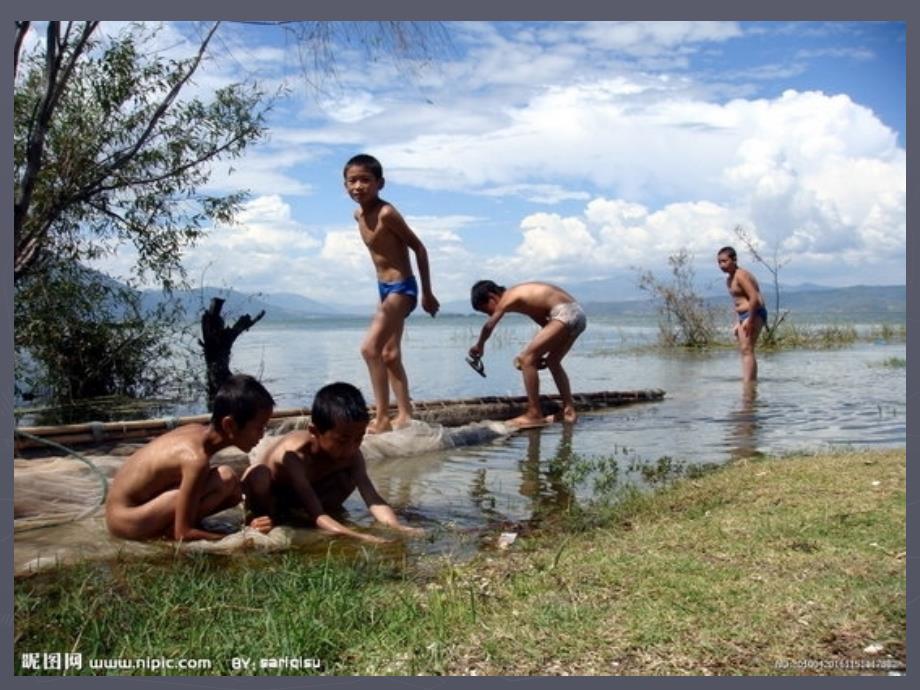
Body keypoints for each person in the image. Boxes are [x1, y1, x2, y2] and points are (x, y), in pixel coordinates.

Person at [242, 382, 424, 544]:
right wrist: (362, 537)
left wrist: (398, 527)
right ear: (315, 431)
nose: (352, 448)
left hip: (308, 497)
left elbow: (372, 498)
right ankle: (263, 518)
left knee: (348, 476)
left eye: (359, 438)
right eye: (342, 440)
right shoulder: (294, 456)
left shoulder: (353, 455)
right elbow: (317, 515)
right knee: (259, 476)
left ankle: (318, 518)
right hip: (276, 496)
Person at [105, 374, 275, 541]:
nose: (262, 435)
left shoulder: (197, 431)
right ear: (229, 425)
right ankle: (168, 531)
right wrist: (241, 536)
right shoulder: (195, 459)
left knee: (229, 483)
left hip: (126, 510)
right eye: (259, 427)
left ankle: (178, 523)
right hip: (125, 520)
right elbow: (183, 533)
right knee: (223, 480)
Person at [344, 154, 440, 434]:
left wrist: (427, 293)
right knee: (388, 354)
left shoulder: (387, 213)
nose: (358, 186)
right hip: (383, 288)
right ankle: (405, 415)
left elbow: (419, 248)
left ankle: (382, 417)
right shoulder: (358, 214)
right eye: (352, 181)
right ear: (345, 185)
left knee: (369, 348)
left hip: (402, 287)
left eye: (365, 180)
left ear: (379, 183)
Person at [469, 280, 587, 428]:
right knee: (552, 361)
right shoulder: (524, 301)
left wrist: (479, 345)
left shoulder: (508, 297)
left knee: (526, 359)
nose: (488, 314)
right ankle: (569, 410)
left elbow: (489, 325)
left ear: (492, 297)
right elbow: (547, 325)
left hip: (565, 313)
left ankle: (534, 414)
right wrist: (540, 355)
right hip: (577, 314)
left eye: (486, 310)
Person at [717, 246, 767, 382]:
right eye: (719, 262)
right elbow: (737, 303)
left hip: (753, 313)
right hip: (743, 316)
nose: (722, 265)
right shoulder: (729, 279)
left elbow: (755, 298)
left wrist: (750, 320)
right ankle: (750, 383)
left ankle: (748, 385)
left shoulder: (741, 275)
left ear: (734, 259)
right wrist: (737, 322)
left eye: (724, 261)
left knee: (747, 349)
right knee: (746, 350)